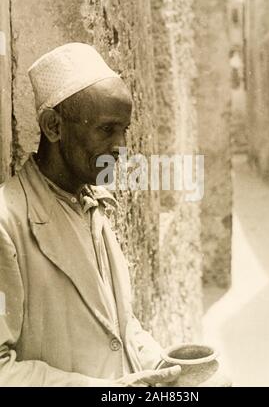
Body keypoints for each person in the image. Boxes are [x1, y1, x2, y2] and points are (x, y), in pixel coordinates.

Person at [0, 43, 180, 387]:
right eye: (106, 129)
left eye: (124, 130)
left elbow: (119, 327)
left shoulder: (93, 204)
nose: (120, 146)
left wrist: (163, 366)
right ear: (53, 126)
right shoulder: (7, 223)